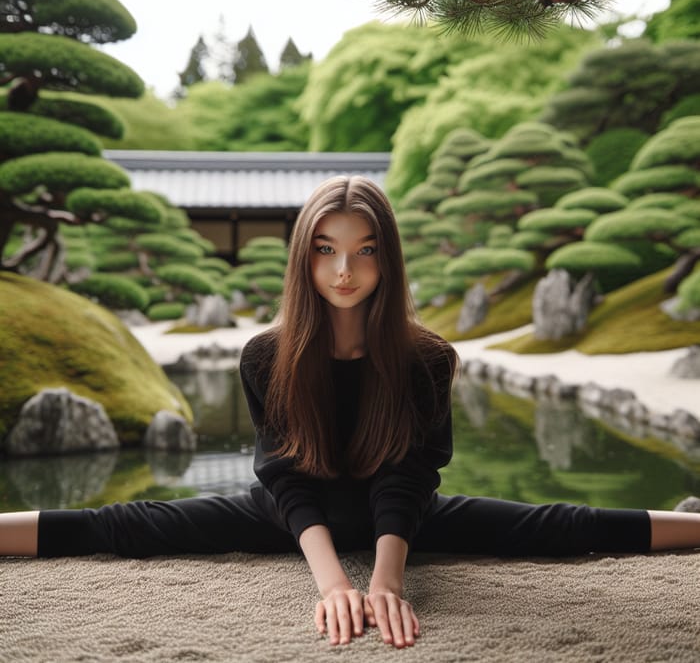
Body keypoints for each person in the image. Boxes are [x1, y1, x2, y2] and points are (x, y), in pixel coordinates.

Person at [1, 175, 699, 649]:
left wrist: (387, 576)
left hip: (399, 514)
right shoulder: (264, 355)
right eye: (326, 251)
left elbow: (411, 475)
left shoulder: (426, 357)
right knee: (127, 525)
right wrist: (335, 580)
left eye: (364, 252)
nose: (344, 271)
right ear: (304, 258)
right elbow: (283, 476)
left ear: (387, 260)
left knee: (554, 526)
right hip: (285, 514)